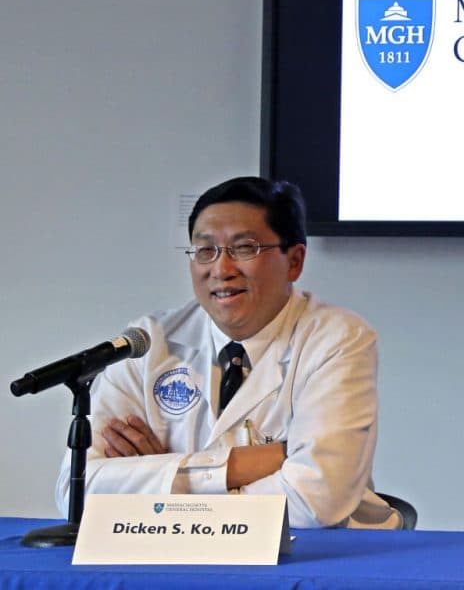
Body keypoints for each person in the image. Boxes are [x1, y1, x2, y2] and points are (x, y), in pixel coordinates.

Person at [55, 177, 401, 529]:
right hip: (171, 560)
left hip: (316, 561)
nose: (221, 269)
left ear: (294, 260)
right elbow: (77, 493)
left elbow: (314, 501)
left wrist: (162, 481)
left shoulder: (337, 339)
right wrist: (250, 464)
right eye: (205, 250)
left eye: (245, 248)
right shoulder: (148, 341)